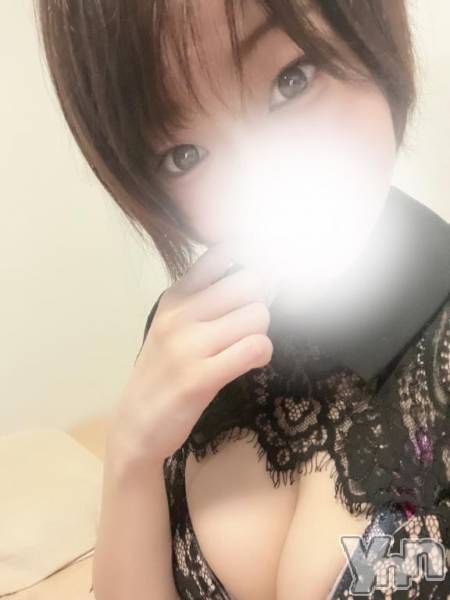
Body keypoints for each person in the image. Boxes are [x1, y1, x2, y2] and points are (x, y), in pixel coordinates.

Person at [34, 1, 450, 598]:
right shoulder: (186, 330)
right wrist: (130, 457)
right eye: (184, 155)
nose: (262, 180)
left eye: (292, 79)